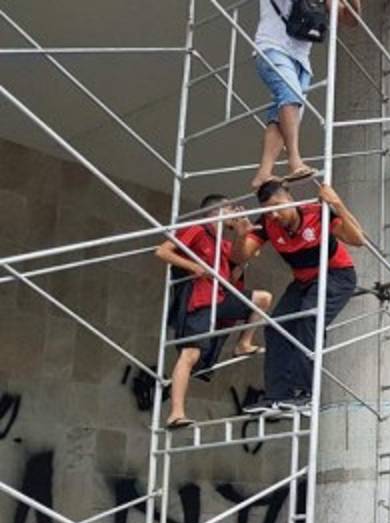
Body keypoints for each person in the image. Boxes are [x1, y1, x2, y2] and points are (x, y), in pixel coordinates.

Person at [237, 181, 363, 414]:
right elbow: (241, 256)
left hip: (336, 274)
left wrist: (337, 204)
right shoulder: (267, 224)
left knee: (309, 317)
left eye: (278, 207)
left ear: (290, 198)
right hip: (304, 281)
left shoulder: (317, 213)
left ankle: (306, 394)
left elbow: (358, 240)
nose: (275, 215)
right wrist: (240, 236)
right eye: (268, 211)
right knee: (276, 327)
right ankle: (277, 396)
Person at [157, 195, 273, 428]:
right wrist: (194, 266)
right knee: (190, 354)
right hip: (200, 300)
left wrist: (243, 237)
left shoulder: (223, 244)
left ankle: (243, 344)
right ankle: (176, 413)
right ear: (217, 211)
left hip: (219, 297)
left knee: (263, 299)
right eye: (230, 208)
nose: (234, 213)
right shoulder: (198, 229)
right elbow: (162, 251)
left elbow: (234, 275)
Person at [250, 0, 343, 188]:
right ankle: (294, 160)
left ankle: (264, 173)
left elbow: (345, 17)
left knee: (282, 116)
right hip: (273, 48)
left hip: (301, 59)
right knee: (291, 97)